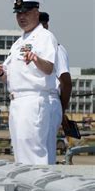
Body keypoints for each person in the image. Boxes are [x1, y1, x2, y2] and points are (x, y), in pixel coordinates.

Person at [0, 0, 58, 165]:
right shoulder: (19, 42)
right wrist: (1, 73)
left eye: (26, 12)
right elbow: (11, 77)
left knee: (34, 152)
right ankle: (28, 189)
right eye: (18, 13)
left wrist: (37, 59)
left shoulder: (44, 37)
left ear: (36, 13)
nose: (21, 17)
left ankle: (40, 190)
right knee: (21, 154)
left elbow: (49, 67)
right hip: (16, 101)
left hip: (33, 100)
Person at [39, 12, 72, 163]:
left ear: (47, 25)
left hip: (51, 101)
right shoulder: (30, 47)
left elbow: (66, 82)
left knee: (45, 150)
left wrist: (62, 109)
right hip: (35, 102)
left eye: (42, 24)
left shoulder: (56, 48)